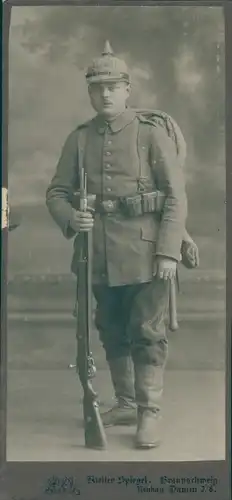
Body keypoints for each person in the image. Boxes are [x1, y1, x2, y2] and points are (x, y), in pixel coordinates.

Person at [46, 41, 188, 449]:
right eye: (97, 87)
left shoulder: (150, 133)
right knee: (110, 330)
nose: (105, 93)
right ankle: (125, 402)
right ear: (89, 93)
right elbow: (56, 192)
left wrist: (167, 251)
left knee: (146, 332)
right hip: (98, 255)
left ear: (127, 90)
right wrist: (72, 217)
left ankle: (149, 413)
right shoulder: (79, 139)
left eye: (113, 86)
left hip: (147, 253)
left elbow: (175, 196)